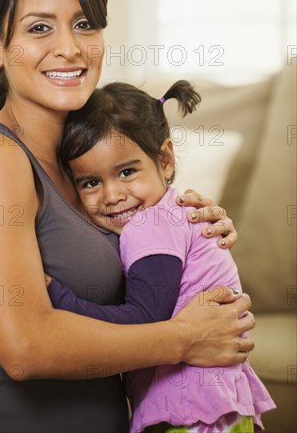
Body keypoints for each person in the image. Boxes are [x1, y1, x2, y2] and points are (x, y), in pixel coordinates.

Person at [0, 0, 255, 433]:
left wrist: (185, 224)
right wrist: (185, 339)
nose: (71, 47)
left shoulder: (86, 171)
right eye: (39, 28)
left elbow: (131, 281)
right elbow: (24, 349)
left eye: (84, 24)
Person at [47, 80, 276, 432]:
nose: (112, 195)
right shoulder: (171, 212)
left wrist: (56, 297)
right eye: (90, 182)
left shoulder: (150, 225)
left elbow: (142, 320)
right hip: (213, 405)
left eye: (126, 172)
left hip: (193, 412)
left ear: (165, 160)